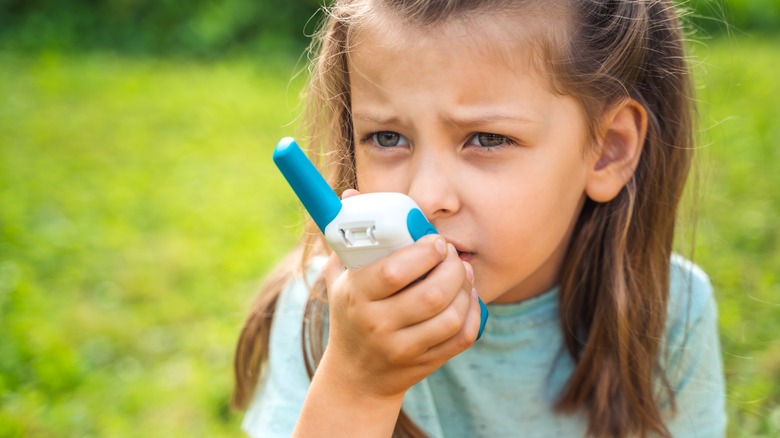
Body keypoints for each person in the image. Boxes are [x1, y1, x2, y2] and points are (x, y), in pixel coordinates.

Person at [233, 0, 726, 436]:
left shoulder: (670, 312)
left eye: (487, 139)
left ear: (607, 150)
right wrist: (357, 385)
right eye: (387, 137)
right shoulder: (324, 309)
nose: (425, 196)